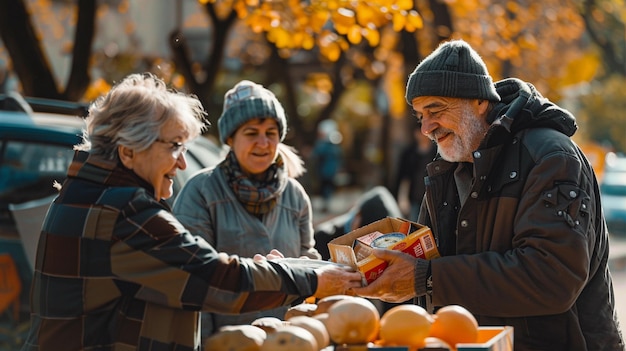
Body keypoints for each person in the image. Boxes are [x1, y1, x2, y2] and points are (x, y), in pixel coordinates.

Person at [20, 73, 363, 351]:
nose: (182, 162)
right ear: (128, 153)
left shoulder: (90, 196)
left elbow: (176, 278)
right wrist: (311, 278)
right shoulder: (124, 212)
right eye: (174, 146)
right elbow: (212, 278)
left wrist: (284, 270)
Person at [353, 40, 625, 350]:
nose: (427, 127)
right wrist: (384, 268)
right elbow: (434, 265)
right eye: (419, 116)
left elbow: (552, 278)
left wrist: (426, 277)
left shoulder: (550, 157)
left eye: (436, 110)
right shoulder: (447, 166)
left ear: (480, 102)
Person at [172, 80, 320, 336]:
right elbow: (192, 278)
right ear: (230, 138)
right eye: (251, 133)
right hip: (227, 342)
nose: (263, 143)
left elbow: (309, 264)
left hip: (286, 340)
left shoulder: (295, 196)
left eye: (271, 133)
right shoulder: (201, 192)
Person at [393, 121, 437, 221]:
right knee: (415, 225)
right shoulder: (409, 153)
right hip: (414, 198)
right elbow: (402, 177)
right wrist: (401, 198)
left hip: (434, 197)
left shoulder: (437, 152)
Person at [310, 119, 343, 213]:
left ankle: (325, 204)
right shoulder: (335, 146)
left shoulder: (323, 145)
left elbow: (315, 155)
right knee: (327, 187)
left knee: (325, 187)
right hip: (331, 171)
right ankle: (326, 203)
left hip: (324, 171)